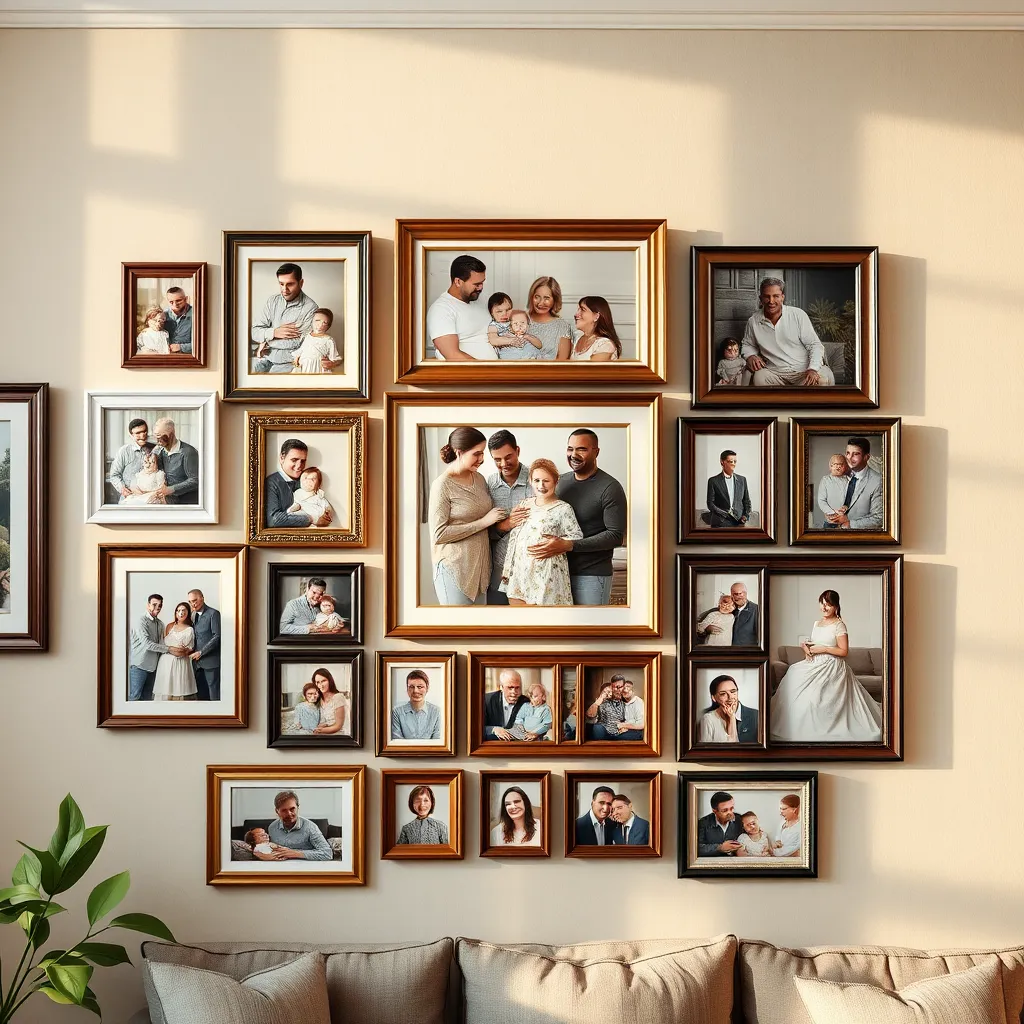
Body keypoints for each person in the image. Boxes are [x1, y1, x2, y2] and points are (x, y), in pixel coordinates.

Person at [528, 429, 627, 607]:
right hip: (556, 574)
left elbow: (615, 536)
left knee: (590, 632)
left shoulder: (610, 487)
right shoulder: (560, 482)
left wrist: (569, 545)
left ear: (596, 452)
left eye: (581, 449)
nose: (574, 454)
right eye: (570, 449)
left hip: (591, 575)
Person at [769, 589, 883, 742]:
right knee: (793, 673)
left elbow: (843, 651)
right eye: (822, 604)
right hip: (814, 662)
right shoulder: (817, 623)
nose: (824, 608)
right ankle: (794, 725)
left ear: (836, 606)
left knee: (816, 698)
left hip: (832, 665)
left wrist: (824, 649)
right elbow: (814, 643)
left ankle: (822, 729)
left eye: (828, 605)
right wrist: (807, 650)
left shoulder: (839, 625)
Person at [428, 426, 505, 605]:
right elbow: (439, 535)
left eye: (483, 453)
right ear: (459, 452)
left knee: (478, 631)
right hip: (454, 568)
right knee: (456, 630)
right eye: (477, 454)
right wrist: (483, 522)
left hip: (480, 570)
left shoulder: (479, 479)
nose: (482, 459)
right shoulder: (442, 485)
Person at [501, 458, 583, 606]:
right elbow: (514, 538)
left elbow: (576, 538)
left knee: (544, 625)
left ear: (555, 481)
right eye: (537, 480)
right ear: (530, 481)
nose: (541, 485)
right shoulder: (525, 504)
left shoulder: (563, 509)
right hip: (519, 575)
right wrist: (507, 573)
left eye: (546, 481)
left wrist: (559, 544)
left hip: (547, 576)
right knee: (519, 625)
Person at [741, 277, 836, 387]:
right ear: (761, 298)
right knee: (759, 378)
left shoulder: (798, 315)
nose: (771, 301)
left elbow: (814, 345)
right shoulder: (753, 321)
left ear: (782, 297)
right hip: (775, 372)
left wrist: (813, 369)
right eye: (767, 296)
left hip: (804, 371)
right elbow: (747, 344)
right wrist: (750, 356)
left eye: (776, 296)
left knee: (821, 380)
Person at [485, 430, 532, 605]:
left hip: (529, 569)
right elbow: (482, 529)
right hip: (498, 568)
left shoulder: (536, 479)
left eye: (508, 457)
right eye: (497, 459)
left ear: (518, 451)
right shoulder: (489, 484)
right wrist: (502, 526)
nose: (504, 463)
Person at [252, 262, 319, 373]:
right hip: (265, 358)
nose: (284, 289)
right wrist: (274, 332)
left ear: (301, 283)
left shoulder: (311, 308)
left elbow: (299, 343)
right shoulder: (272, 301)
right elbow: (254, 331)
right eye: (281, 284)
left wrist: (266, 339)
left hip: (289, 363)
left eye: (290, 284)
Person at [425, 255, 492, 360]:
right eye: (477, 284)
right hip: (475, 374)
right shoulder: (441, 310)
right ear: (458, 282)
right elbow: (453, 356)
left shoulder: (480, 298)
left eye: (482, 282)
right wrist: (491, 373)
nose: (481, 287)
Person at [265, 439, 333, 529]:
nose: (299, 466)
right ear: (282, 458)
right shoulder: (271, 482)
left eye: (303, 461)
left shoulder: (305, 480)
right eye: (294, 460)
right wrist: (312, 518)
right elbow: (274, 520)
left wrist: (325, 514)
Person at [821, 437, 883, 530]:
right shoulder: (840, 473)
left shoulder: (878, 481)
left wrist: (849, 523)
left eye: (856, 454)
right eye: (848, 453)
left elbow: (879, 518)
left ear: (867, 457)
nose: (849, 458)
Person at [256, 791, 332, 861]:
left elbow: (327, 854)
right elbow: (266, 848)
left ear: (298, 808)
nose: (289, 813)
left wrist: (295, 853)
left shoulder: (310, 827)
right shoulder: (272, 827)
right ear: (277, 811)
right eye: (284, 810)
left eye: (292, 809)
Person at [129, 593, 176, 701]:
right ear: (148, 605)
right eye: (154, 604)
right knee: (134, 698)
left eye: (160, 605)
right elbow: (147, 644)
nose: (157, 608)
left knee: (147, 699)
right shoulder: (140, 621)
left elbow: (162, 644)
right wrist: (169, 649)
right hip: (139, 666)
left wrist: (176, 649)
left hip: (153, 668)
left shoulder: (160, 624)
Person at [152, 601, 197, 701]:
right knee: (165, 689)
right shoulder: (169, 626)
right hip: (166, 663)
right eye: (178, 610)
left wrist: (184, 651)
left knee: (179, 691)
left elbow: (190, 648)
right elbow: (163, 644)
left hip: (181, 663)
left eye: (183, 611)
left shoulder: (190, 629)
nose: (181, 613)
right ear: (175, 613)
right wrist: (174, 650)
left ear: (188, 613)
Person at [699, 674, 759, 744]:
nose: (730, 697)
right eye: (723, 694)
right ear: (714, 698)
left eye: (733, 691)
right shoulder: (707, 719)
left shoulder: (756, 715)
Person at [523, 276, 572, 361]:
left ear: (555, 300)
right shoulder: (520, 319)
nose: (540, 303)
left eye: (547, 298)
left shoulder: (562, 326)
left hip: (551, 373)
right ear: (531, 297)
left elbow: (562, 362)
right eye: (537, 297)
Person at [152, 418, 200, 506]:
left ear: (171, 434)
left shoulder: (188, 452)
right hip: (167, 502)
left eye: (160, 437)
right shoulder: (160, 452)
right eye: (155, 437)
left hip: (186, 504)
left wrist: (171, 489)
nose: (157, 441)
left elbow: (196, 480)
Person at [697, 581, 759, 646]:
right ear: (731, 595)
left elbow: (763, 638)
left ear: (746, 593)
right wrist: (707, 628)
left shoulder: (757, 610)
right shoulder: (724, 606)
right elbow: (698, 625)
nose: (739, 596)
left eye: (741, 593)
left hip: (745, 653)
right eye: (736, 594)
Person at [109, 418, 157, 501]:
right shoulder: (124, 451)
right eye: (138, 433)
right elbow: (114, 475)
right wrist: (123, 489)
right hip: (129, 498)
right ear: (131, 435)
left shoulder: (155, 449)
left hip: (150, 499)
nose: (142, 435)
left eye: (144, 431)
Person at [187, 588, 221, 701]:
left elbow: (217, 636)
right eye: (190, 601)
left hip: (211, 662)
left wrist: (201, 652)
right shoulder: (193, 615)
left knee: (214, 695)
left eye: (195, 600)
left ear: (202, 598)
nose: (193, 604)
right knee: (201, 696)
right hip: (196, 664)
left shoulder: (214, 614)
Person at [390, 668, 441, 741]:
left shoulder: (437, 712)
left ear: (427, 688)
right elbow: (397, 743)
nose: (415, 691)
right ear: (407, 689)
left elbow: (438, 743)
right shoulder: (396, 712)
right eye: (411, 687)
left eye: (420, 687)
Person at [706, 449, 751, 528]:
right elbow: (710, 504)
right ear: (722, 462)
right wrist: (726, 514)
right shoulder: (713, 481)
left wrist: (745, 516)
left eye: (735, 461)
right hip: (719, 523)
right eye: (730, 461)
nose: (733, 464)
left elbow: (747, 502)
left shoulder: (742, 480)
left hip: (739, 523)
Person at [483, 668, 529, 741]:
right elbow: (475, 729)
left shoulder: (526, 702)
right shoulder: (486, 700)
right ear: (501, 687)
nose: (514, 692)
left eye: (517, 688)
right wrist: (494, 729)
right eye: (510, 687)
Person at [570, 296, 621, 361]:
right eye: (578, 310)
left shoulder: (604, 344)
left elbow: (591, 370)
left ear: (596, 316)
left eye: (583, 309)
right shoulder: (576, 338)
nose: (576, 314)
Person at [292, 307, 342, 374]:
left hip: (317, 368)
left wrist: (331, 364)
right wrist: (296, 358)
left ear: (328, 326)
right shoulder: (307, 336)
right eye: (317, 320)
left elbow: (336, 358)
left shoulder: (328, 340)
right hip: (303, 367)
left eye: (325, 323)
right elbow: (302, 349)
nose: (320, 325)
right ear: (312, 321)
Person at [696, 791, 743, 857]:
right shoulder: (702, 823)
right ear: (714, 811)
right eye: (725, 810)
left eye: (732, 808)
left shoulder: (740, 819)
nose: (730, 813)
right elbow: (696, 849)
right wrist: (719, 847)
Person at [585, 675, 627, 740]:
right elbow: (589, 715)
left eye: (619, 687)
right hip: (603, 730)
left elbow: (627, 719)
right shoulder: (601, 702)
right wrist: (600, 699)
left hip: (618, 732)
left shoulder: (624, 703)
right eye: (614, 687)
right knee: (597, 728)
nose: (617, 690)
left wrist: (625, 726)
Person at [817, 454, 853, 527]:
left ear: (845, 467)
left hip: (846, 521)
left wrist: (845, 509)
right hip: (830, 521)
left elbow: (853, 498)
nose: (838, 467)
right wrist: (832, 512)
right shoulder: (825, 480)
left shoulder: (849, 480)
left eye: (841, 464)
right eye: (835, 464)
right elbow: (821, 500)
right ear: (830, 466)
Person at [311, 667, 349, 736]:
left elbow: (338, 726)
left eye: (323, 681)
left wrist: (320, 730)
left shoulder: (338, 697)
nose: (321, 685)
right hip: (322, 734)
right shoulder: (319, 699)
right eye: (318, 682)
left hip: (337, 736)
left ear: (330, 680)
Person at [163, 285, 193, 354]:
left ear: (186, 299)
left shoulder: (196, 314)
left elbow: (202, 345)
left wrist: (181, 347)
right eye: (171, 302)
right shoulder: (164, 314)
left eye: (178, 300)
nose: (175, 304)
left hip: (188, 358)